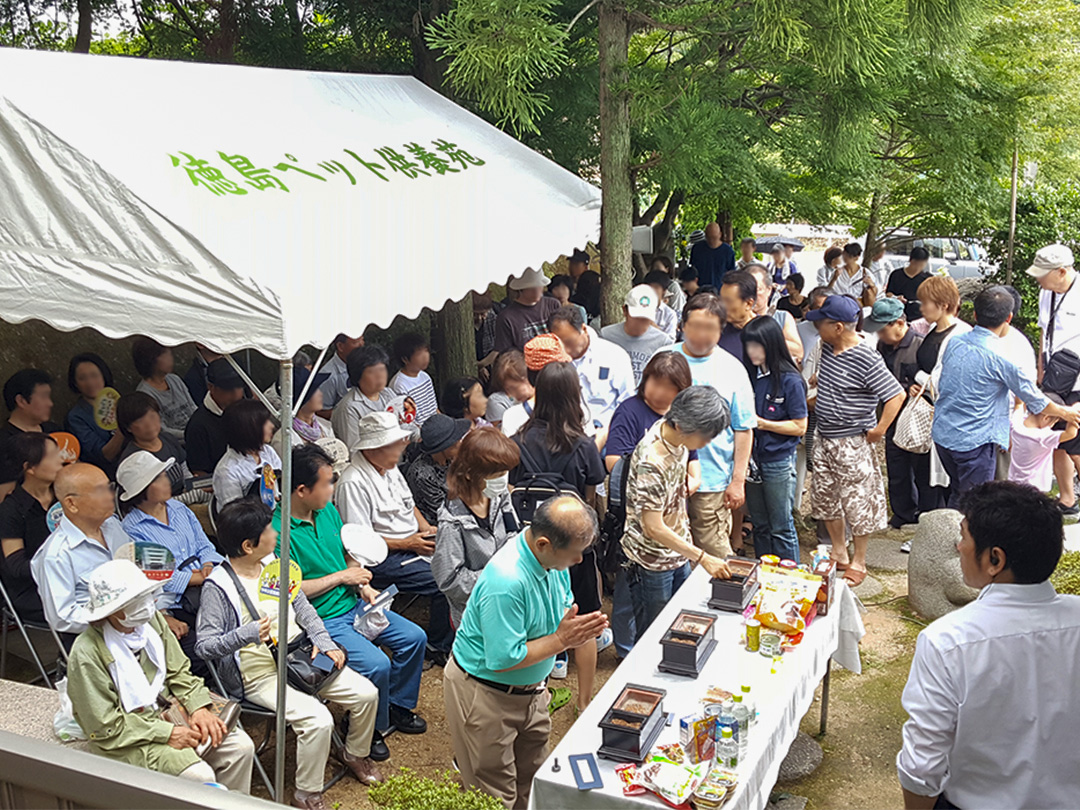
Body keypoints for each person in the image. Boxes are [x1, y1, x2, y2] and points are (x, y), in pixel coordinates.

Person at [896, 481, 1080, 810]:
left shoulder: (947, 641)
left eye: (964, 536)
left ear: (995, 559)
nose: (958, 546)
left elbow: (922, 766)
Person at [197, 501, 384, 805]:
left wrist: (325, 642)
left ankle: (355, 753)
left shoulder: (274, 563)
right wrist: (245, 634)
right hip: (257, 674)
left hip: (299, 656)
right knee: (318, 719)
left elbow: (304, 608)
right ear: (248, 546)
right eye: (268, 530)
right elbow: (205, 645)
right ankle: (307, 792)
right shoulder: (218, 587)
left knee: (366, 694)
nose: (274, 533)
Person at [444, 495, 608, 810]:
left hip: (531, 691)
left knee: (532, 781)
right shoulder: (506, 580)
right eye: (574, 554)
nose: (578, 562)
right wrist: (562, 640)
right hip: (485, 693)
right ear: (544, 543)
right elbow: (504, 658)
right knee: (493, 794)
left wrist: (569, 634)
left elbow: (560, 613)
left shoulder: (551, 561)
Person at [275, 444, 427, 755]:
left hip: (353, 603)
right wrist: (343, 578)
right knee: (377, 663)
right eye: (328, 482)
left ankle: (395, 705)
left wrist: (362, 586)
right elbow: (288, 590)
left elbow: (346, 554)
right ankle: (365, 730)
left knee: (415, 637)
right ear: (302, 490)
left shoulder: (327, 511)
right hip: (321, 619)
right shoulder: (277, 532)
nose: (334, 487)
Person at [67, 559, 255, 792]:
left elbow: (180, 672)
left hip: (171, 711)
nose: (147, 604)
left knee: (240, 747)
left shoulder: (152, 621)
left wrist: (198, 707)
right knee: (198, 774)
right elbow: (106, 726)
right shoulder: (87, 652)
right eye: (135, 601)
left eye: (146, 596)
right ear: (111, 611)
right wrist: (166, 734)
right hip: (131, 737)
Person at [509, 361, 607, 707]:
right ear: (573, 395)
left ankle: (541, 693)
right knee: (585, 621)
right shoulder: (582, 445)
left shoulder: (519, 440)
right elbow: (592, 494)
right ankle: (583, 700)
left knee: (539, 621)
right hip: (575, 545)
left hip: (536, 546)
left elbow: (509, 488)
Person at [934, 287, 1080, 494]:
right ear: (1009, 318)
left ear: (975, 314)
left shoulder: (954, 342)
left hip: (944, 434)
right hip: (975, 441)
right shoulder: (1001, 357)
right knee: (976, 503)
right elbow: (1034, 398)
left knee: (959, 494)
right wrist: (1066, 412)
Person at [603, 351, 699, 658]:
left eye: (668, 386)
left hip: (674, 521)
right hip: (638, 520)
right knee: (633, 593)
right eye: (654, 382)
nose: (659, 391)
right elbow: (612, 460)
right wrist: (654, 476)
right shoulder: (631, 411)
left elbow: (693, 459)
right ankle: (626, 649)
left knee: (667, 599)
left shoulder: (683, 419)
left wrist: (691, 478)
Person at [336, 411, 453, 659]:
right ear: (374, 447)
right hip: (382, 557)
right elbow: (359, 544)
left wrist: (426, 529)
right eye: (394, 444)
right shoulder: (353, 482)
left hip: (412, 541)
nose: (401, 448)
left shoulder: (390, 468)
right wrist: (408, 544)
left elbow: (409, 505)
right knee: (443, 581)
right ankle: (437, 646)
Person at [807, 295, 906, 586]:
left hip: (852, 440)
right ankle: (839, 551)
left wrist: (879, 429)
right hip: (824, 435)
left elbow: (896, 395)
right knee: (825, 496)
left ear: (838, 327)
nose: (817, 329)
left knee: (858, 502)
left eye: (822, 323)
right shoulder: (827, 347)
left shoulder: (866, 356)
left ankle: (859, 560)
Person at [622, 386, 732, 640]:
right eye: (706, 436)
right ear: (682, 426)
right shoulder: (653, 460)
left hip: (678, 550)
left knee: (680, 621)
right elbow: (653, 527)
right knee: (654, 634)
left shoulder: (677, 437)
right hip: (652, 559)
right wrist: (703, 557)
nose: (707, 443)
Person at [657, 293, 756, 559]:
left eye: (710, 328)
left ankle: (724, 596)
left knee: (713, 550)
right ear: (682, 325)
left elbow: (744, 428)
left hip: (712, 480)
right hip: (665, 476)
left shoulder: (732, 368)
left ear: (721, 330)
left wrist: (738, 481)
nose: (702, 335)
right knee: (667, 549)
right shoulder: (664, 359)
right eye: (696, 326)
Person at [118, 451, 222, 670]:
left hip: (209, 578)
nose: (167, 482)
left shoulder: (179, 508)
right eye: (158, 478)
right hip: (178, 599)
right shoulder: (132, 528)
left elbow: (205, 545)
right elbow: (158, 575)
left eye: (165, 475)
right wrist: (200, 578)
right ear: (142, 489)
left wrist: (207, 565)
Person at [431, 427, 521, 627]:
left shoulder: (500, 497)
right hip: (474, 616)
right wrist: (498, 574)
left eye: (505, 473)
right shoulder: (452, 522)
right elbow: (449, 581)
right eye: (497, 474)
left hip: (508, 600)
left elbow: (513, 532)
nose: (503, 480)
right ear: (471, 474)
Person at [30, 463, 132, 638]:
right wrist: (110, 617)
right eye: (100, 491)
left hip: (135, 619)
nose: (110, 496)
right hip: (96, 636)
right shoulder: (56, 555)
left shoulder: (112, 525)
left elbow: (135, 564)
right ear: (71, 504)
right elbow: (62, 616)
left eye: (110, 488)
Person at [742, 317, 807, 561]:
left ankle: (791, 579)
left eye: (757, 346)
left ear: (771, 344)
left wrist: (764, 423)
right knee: (760, 524)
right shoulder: (751, 375)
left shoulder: (790, 379)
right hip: (753, 460)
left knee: (781, 525)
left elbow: (800, 426)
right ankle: (763, 573)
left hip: (778, 460)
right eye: (748, 346)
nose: (752, 352)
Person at [864, 298, 930, 531]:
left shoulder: (922, 345)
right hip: (891, 418)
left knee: (922, 469)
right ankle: (902, 513)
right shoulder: (882, 347)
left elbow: (933, 381)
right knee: (896, 468)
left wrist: (914, 386)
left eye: (883, 329)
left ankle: (924, 513)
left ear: (900, 323)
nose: (880, 335)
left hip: (917, 419)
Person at [1028, 245, 1080, 514]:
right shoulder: (1045, 292)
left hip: (1077, 379)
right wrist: (1040, 365)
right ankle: (1067, 498)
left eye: (1043, 274)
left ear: (1062, 271)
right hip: (1053, 375)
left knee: (1076, 442)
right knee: (1057, 437)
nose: (1038, 279)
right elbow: (1043, 330)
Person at [911, 274, 970, 504]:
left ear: (943, 305)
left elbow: (946, 379)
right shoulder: (931, 331)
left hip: (947, 415)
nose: (922, 308)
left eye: (926, 303)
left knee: (947, 480)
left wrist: (916, 375)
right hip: (926, 412)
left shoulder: (960, 335)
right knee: (926, 475)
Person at [0, 433, 62, 624]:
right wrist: (61, 564)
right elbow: (16, 566)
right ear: (30, 468)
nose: (61, 460)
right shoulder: (11, 509)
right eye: (52, 456)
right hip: (32, 590)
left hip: (70, 579)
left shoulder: (64, 497)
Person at [548, 305, 634, 431]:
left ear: (583, 329)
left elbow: (627, 401)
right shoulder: (552, 359)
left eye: (569, 342)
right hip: (567, 434)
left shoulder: (614, 355)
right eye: (559, 344)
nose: (565, 349)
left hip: (607, 432)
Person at [117, 393, 201, 503]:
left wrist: (193, 484)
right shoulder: (132, 461)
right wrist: (192, 496)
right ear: (128, 428)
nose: (149, 424)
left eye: (152, 416)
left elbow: (184, 470)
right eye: (140, 421)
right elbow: (148, 503)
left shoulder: (168, 439)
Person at [211, 399, 281, 509]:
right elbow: (236, 516)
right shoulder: (227, 471)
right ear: (249, 429)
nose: (271, 425)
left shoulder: (268, 452)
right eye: (264, 422)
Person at [184, 358, 247, 477]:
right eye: (228, 389)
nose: (236, 394)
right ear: (210, 387)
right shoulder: (198, 426)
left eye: (239, 387)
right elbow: (198, 472)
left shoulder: (246, 410)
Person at [406, 414, 471, 526]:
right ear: (443, 447)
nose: (461, 445)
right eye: (456, 444)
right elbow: (444, 511)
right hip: (442, 524)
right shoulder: (423, 475)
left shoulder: (449, 460)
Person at [600, 284, 673, 384]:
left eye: (645, 318)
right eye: (637, 317)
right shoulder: (606, 335)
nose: (641, 323)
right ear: (625, 311)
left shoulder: (663, 342)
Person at [64, 353, 124, 475]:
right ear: (75, 383)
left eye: (94, 375)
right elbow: (104, 456)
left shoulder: (119, 400)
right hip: (109, 474)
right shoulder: (75, 417)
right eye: (82, 378)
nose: (90, 382)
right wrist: (123, 427)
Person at [331, 344, 396, 452]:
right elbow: (353, 449)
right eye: (372, 372)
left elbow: (405, 424)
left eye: (382, 369)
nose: (380, 376)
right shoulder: (349, 408)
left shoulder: (388, 394)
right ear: (358, 375)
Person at [1009, 393, 1078, 492]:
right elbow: (1070, 434)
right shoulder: (1042, 437)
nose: (1052, 425)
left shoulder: (1017, 424)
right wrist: (1075, 412)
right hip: (1035, 487)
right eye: (1054, 422)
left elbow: (1018, 404)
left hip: (1014, 482)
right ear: (1046, 418)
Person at [132, 338, 197, 441]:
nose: (170, 357)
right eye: (165, 354)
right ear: (152, 360)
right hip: (177, 443)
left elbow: (192, 407)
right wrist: (190, 434)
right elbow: (162, 429)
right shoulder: (145, 394)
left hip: (196, 433)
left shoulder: (174, 379)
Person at [746, 263, 805, 365]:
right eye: (746, 289)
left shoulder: (783, 317)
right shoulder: (735, 319)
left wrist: (769, 339)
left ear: (769, 290)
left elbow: (798, 352)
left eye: (757, 289)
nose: (752, 295)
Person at [271, 365, 335, 457]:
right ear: (302, 398)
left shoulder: (326, 427)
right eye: (314, 391)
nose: (320, 394)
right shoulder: (284, 439)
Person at [494, 267, 563, 353]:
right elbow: (506, 353)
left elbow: (564, 336)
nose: (538, 290)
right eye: (532, 287)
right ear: (521, 289)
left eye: (540, 285)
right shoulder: (506, 318)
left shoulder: (553, 305)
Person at [390, 333, 438, 427]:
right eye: (419, 354)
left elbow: (434, 409)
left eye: (426, 351)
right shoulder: (399, 385)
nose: (425, 357)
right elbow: (407, 421)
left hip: (436, 426)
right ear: (405, 359)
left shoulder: (425, 376)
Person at [1, 369, 62, 441]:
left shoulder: (54, 431)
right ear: (21, 401)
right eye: (43, 396)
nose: (50, 403)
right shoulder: (5, 443)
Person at [484, 350, 534, 428]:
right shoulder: (498, 402)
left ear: (526, 379)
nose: (511, 394)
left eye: (513, 388)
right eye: (507, 389)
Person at [318, 333, 365, 414]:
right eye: (356, 342)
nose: (361, 345)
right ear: (340, 346)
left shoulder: (366, 363)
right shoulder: (328, 375)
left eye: (362, 339)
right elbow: (321, 411)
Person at [718, 270, 759, 359]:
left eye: (728, 301)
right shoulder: (716, 329)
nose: (722, 306)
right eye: (721, 300)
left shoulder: (765, 331)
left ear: (748, 304)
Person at [885, 246, 933, 322]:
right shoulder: (896, 274)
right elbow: (888, 293)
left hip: (920, 317)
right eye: (916, 264)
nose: (918, 267)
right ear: (911, 261)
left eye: (921, 265)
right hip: (897, 314)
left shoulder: (928, 278)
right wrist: (896, 297)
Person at [689, 222, 735, 288]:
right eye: (709, 237)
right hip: (701, 289)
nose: (711, 240)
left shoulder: (728, 251)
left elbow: (732, 274)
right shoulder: (697, 249)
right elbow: (693, 270)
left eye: (714, 237)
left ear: (720, 235)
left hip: (721, 290)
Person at [642, 271, 681, 339]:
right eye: (649, 287)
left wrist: (653, 326)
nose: (651, 291)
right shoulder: (638, 308)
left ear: (664, 291)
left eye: (656, 288)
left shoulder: (670, 314)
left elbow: (670, 341)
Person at [473, 293, 499, 382]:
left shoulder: (493, 317)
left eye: (483, 314)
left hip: (490, 363)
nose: (480, 318)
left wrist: (483, 364)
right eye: (475, 314)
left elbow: (498, 347)